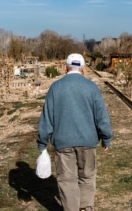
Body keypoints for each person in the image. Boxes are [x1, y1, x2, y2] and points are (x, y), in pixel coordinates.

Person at [37, 53, 113, 211]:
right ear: (84, 69)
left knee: (67, 181)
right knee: (87, 178)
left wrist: (42, 143)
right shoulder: (91, 88)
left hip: (63, 144)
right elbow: (101, 117)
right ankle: (85, 208)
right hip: (88, 142)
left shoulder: (55, 88)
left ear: (66, 68)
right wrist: (106, 138)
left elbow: (47, 117)